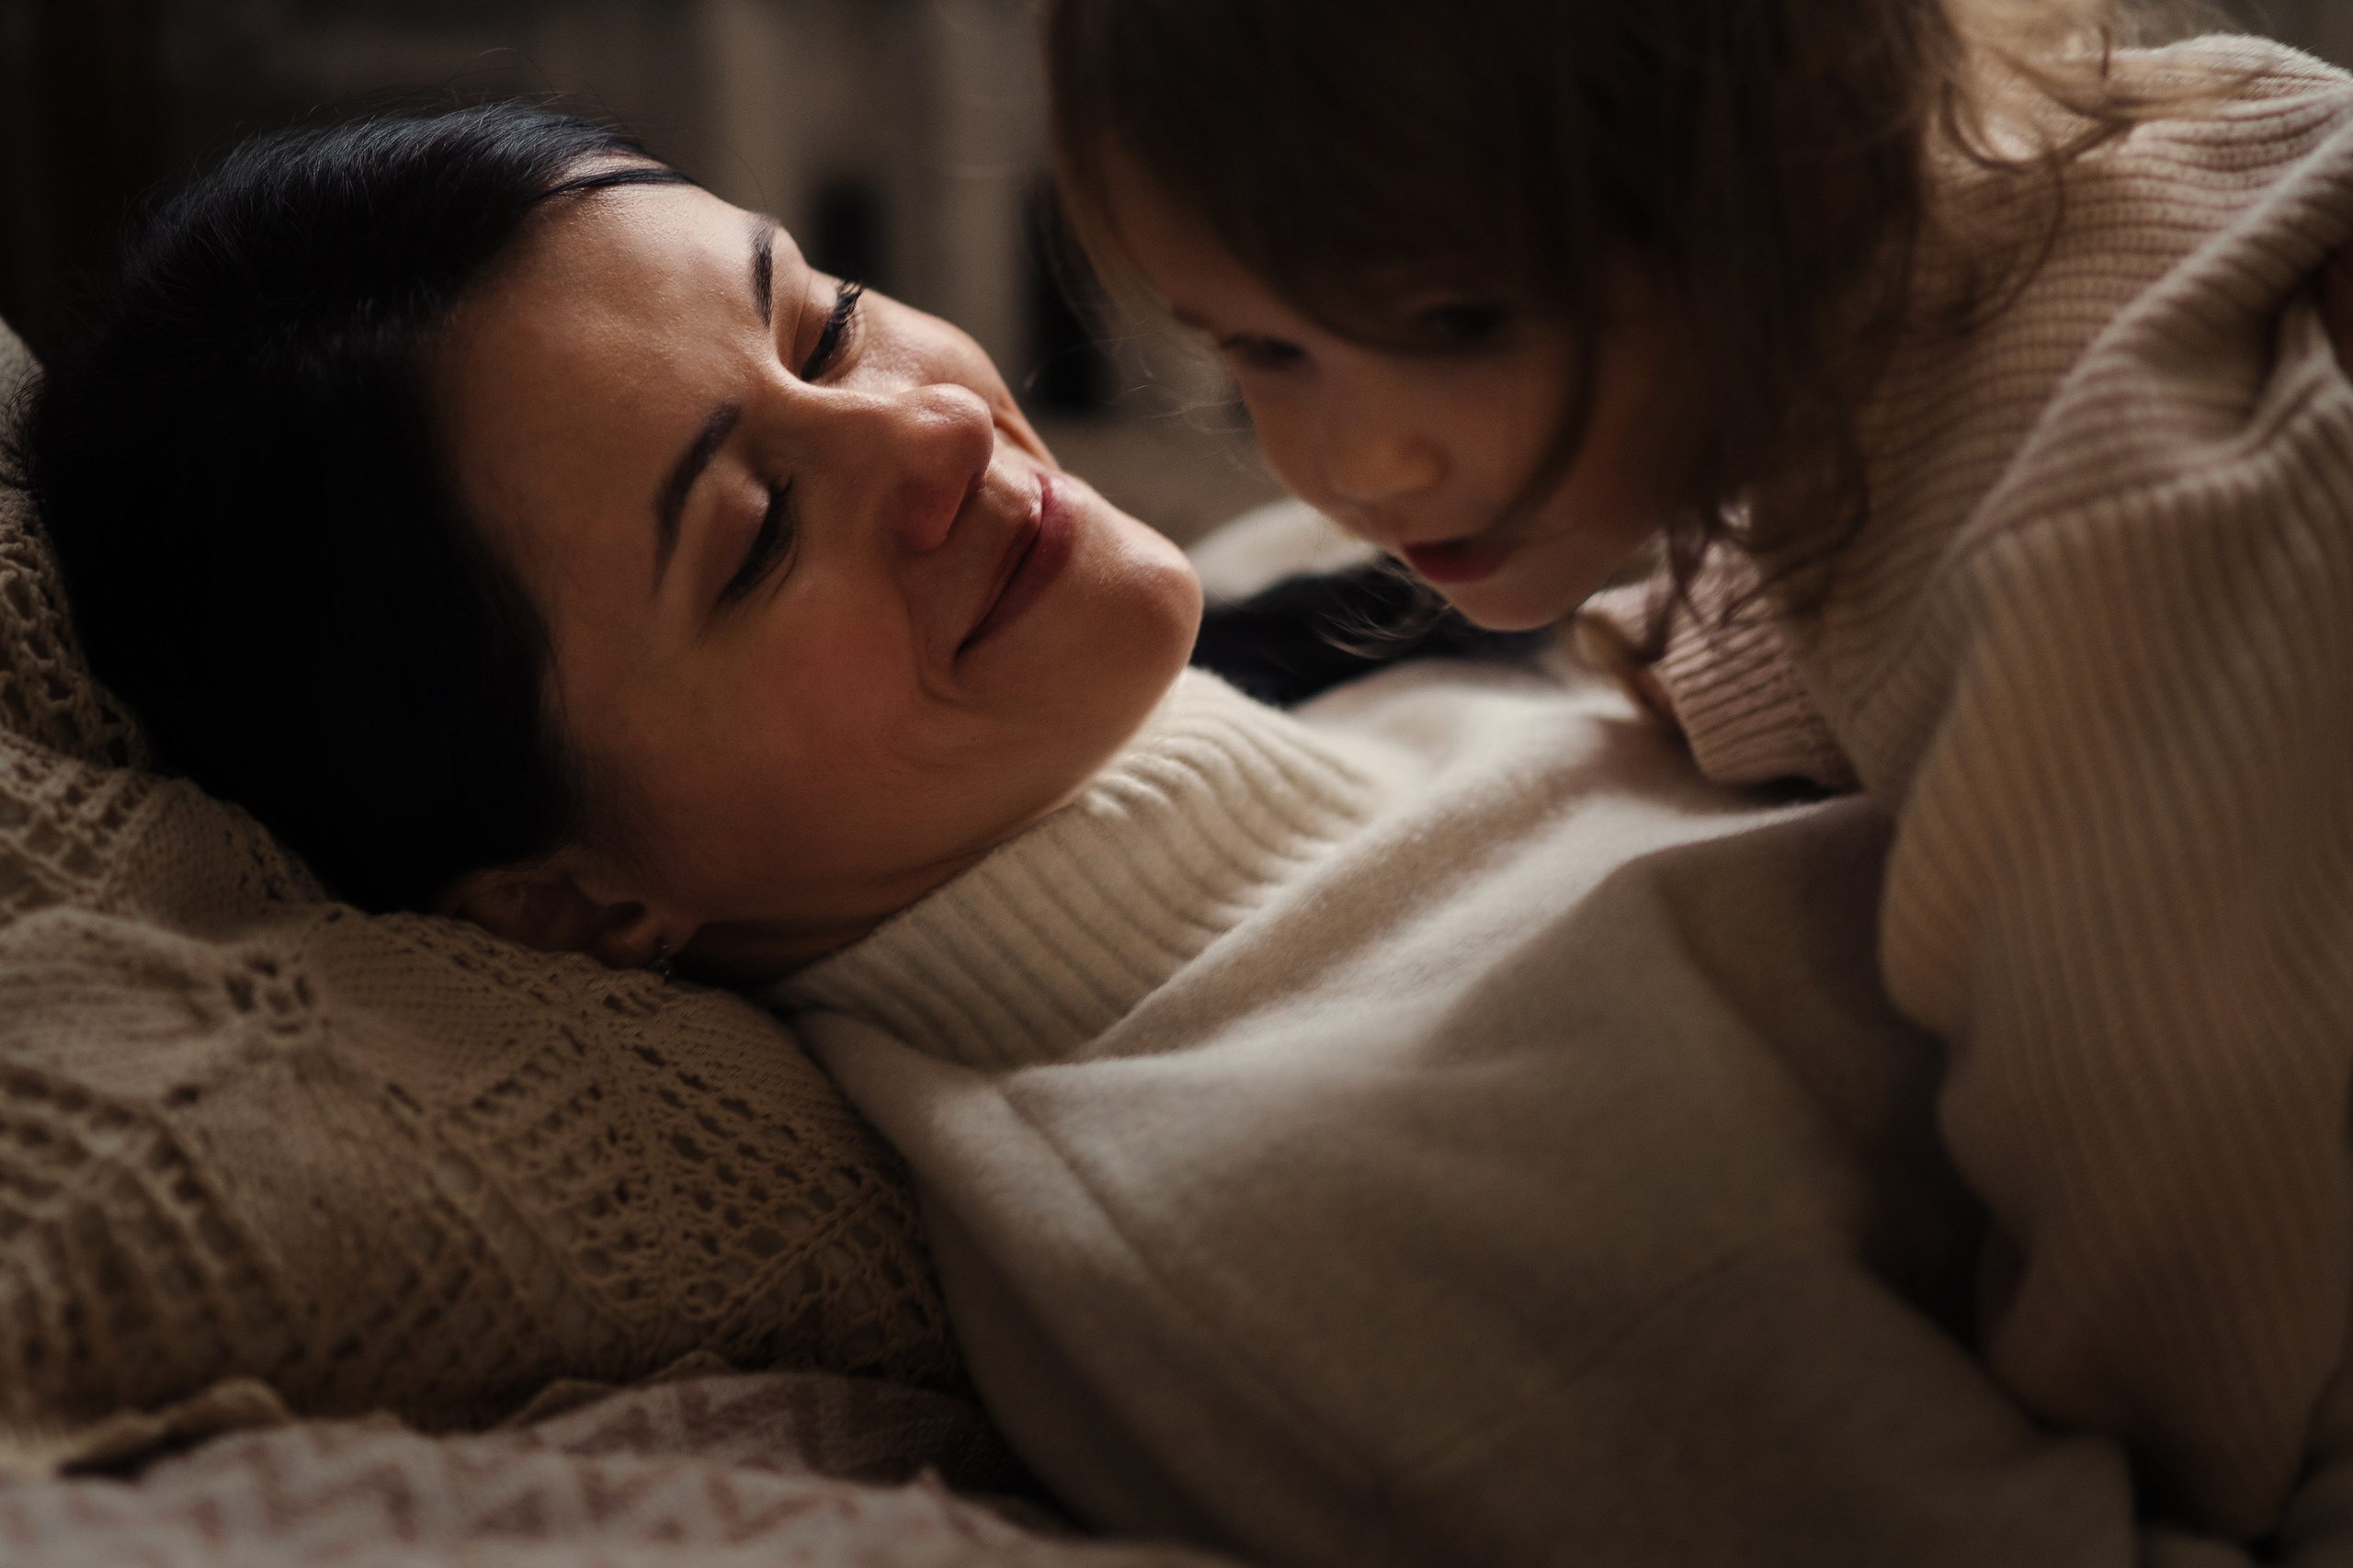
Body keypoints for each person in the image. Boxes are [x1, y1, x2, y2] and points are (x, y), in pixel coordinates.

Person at [19, 102, 2197, 1567]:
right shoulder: (1285, 1224)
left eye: (823, 316)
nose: (926, 431)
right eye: (753, 532)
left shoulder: (1316, 597)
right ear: (576, 896)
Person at [1041, 0, 2353, 1539]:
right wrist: (1691, 656)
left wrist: (2155, 1469)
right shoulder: (2056, 182)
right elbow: (1857, 556)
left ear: (1796, 149)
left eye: (1462, 322)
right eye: (1263, 347)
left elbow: (2188, 1181)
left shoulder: (2078, 560)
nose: (1355, 467)